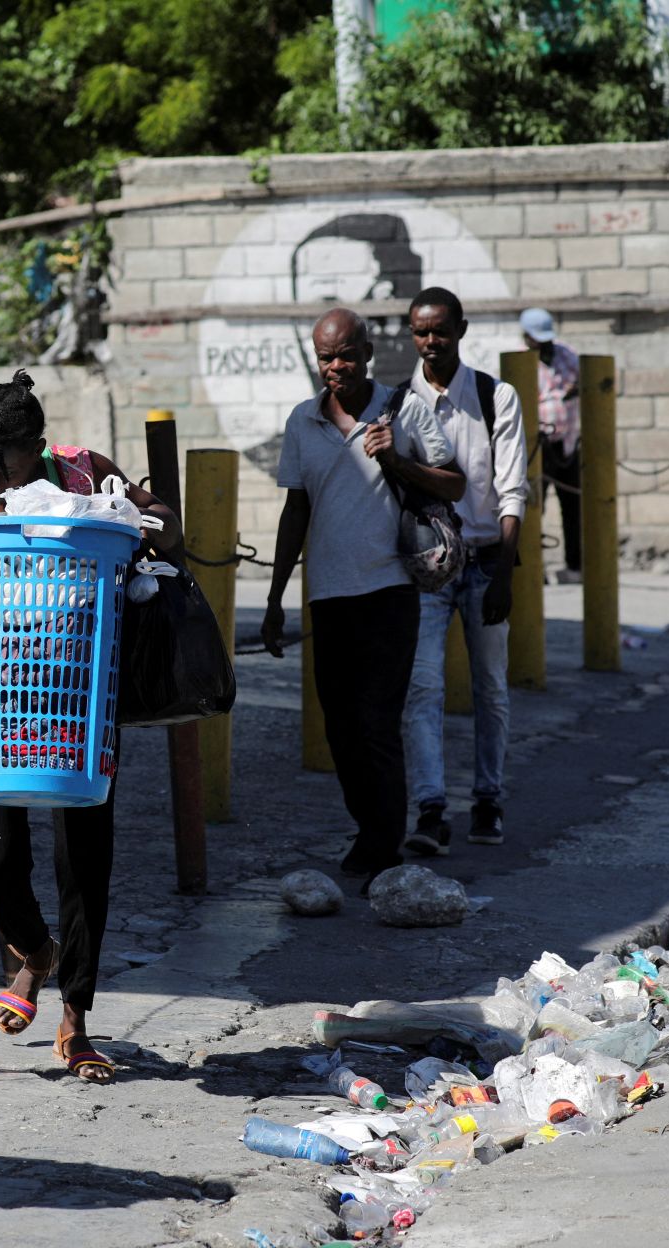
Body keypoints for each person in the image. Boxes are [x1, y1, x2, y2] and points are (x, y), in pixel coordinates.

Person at [0, 370, 179, 1083]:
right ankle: (34, 951)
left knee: (84, 859)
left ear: (36, 451)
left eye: (0, 466)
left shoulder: (84, 471)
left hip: (79, 696)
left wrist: (138, 522)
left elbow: (167, 526)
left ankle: (76, 1020)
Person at [259, 308, 463, 891]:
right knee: (341, 727)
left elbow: (455, 484)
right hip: (329, 595)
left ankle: (382, 842)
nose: (337, 367)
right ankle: (369, 828)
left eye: (346, 355)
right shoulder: (304, 422)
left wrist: (395, 458)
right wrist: (275, 598)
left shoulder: (405, 410)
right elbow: (295, 511)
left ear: (368, 352)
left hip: (390, 590)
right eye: (326, 358)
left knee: (377, 721)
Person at [400, 289, 528, 854]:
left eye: (441, 331)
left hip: (483, 563)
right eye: (422, 332)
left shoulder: (495, 396)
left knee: (490, 689)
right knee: (421, 688)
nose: (431, 342)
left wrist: (503, 572)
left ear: (461, 330)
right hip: (427, 571)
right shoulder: (400, 399)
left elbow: (512, 489)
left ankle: (487, 801)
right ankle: (430, 810)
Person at [521, 308, 582, 582]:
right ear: (527, 337)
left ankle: (575, 566)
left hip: (566, 443)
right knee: (535, 507)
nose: (543, 344)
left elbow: (582, 380)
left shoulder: (566, 354)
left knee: (573, 506)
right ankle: (536, 568)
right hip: (537, 445)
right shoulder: (521, 362)